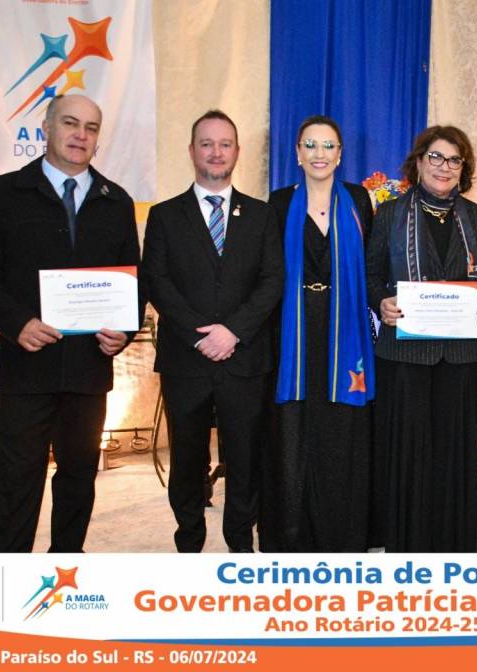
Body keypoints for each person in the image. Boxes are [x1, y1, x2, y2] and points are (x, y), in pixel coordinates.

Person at [0, 94, 141, 552]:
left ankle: (67, 565)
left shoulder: (116, 201)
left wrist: (124, 333)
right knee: (15, 479)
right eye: (70, 123)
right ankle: (10, 572)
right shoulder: (3, 193)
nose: (81, 135)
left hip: (88, 369)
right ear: (46, 128)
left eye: (91, 128)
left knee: (79, 476)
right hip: (26, 367)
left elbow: (132, 283)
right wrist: (17, 322)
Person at [142, 110, 284, 553]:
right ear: (192, 151)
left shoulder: (262, 215)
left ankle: (240, 544)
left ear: (237, 152)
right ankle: (189, 542)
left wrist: (233, 332)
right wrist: (200, 335)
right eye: (207, 143)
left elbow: (272, 281)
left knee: (245, 457)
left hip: (245, 358)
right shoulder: (164, 216)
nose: (216, 152)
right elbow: (157, 282)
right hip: (186, 360)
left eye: (225, 144)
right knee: (187, 459)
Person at [365, 125, 477, 552]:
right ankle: (408, 545)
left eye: (454, 159)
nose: (445, 166)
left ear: (464, 168)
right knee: (408, 453)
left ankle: (453, 546)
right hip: (404, 353)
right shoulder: (389, 214)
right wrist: (381, 301)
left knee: (455, 454)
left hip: (461, 356)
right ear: (419, 162)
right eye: (436, 157)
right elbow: (370, 275)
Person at [261, 115, 375, 552]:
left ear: (340, 154)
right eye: (310, 145)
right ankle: (292, 534)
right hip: (292, 332)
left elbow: (373, 266)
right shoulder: (277, 203)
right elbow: (267, 271)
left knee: (340, 431)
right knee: (294, 432)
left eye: (328, 146)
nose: (319, 154)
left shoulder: (359, 201)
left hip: (346, 332)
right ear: (297, 153)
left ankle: (343, 534)